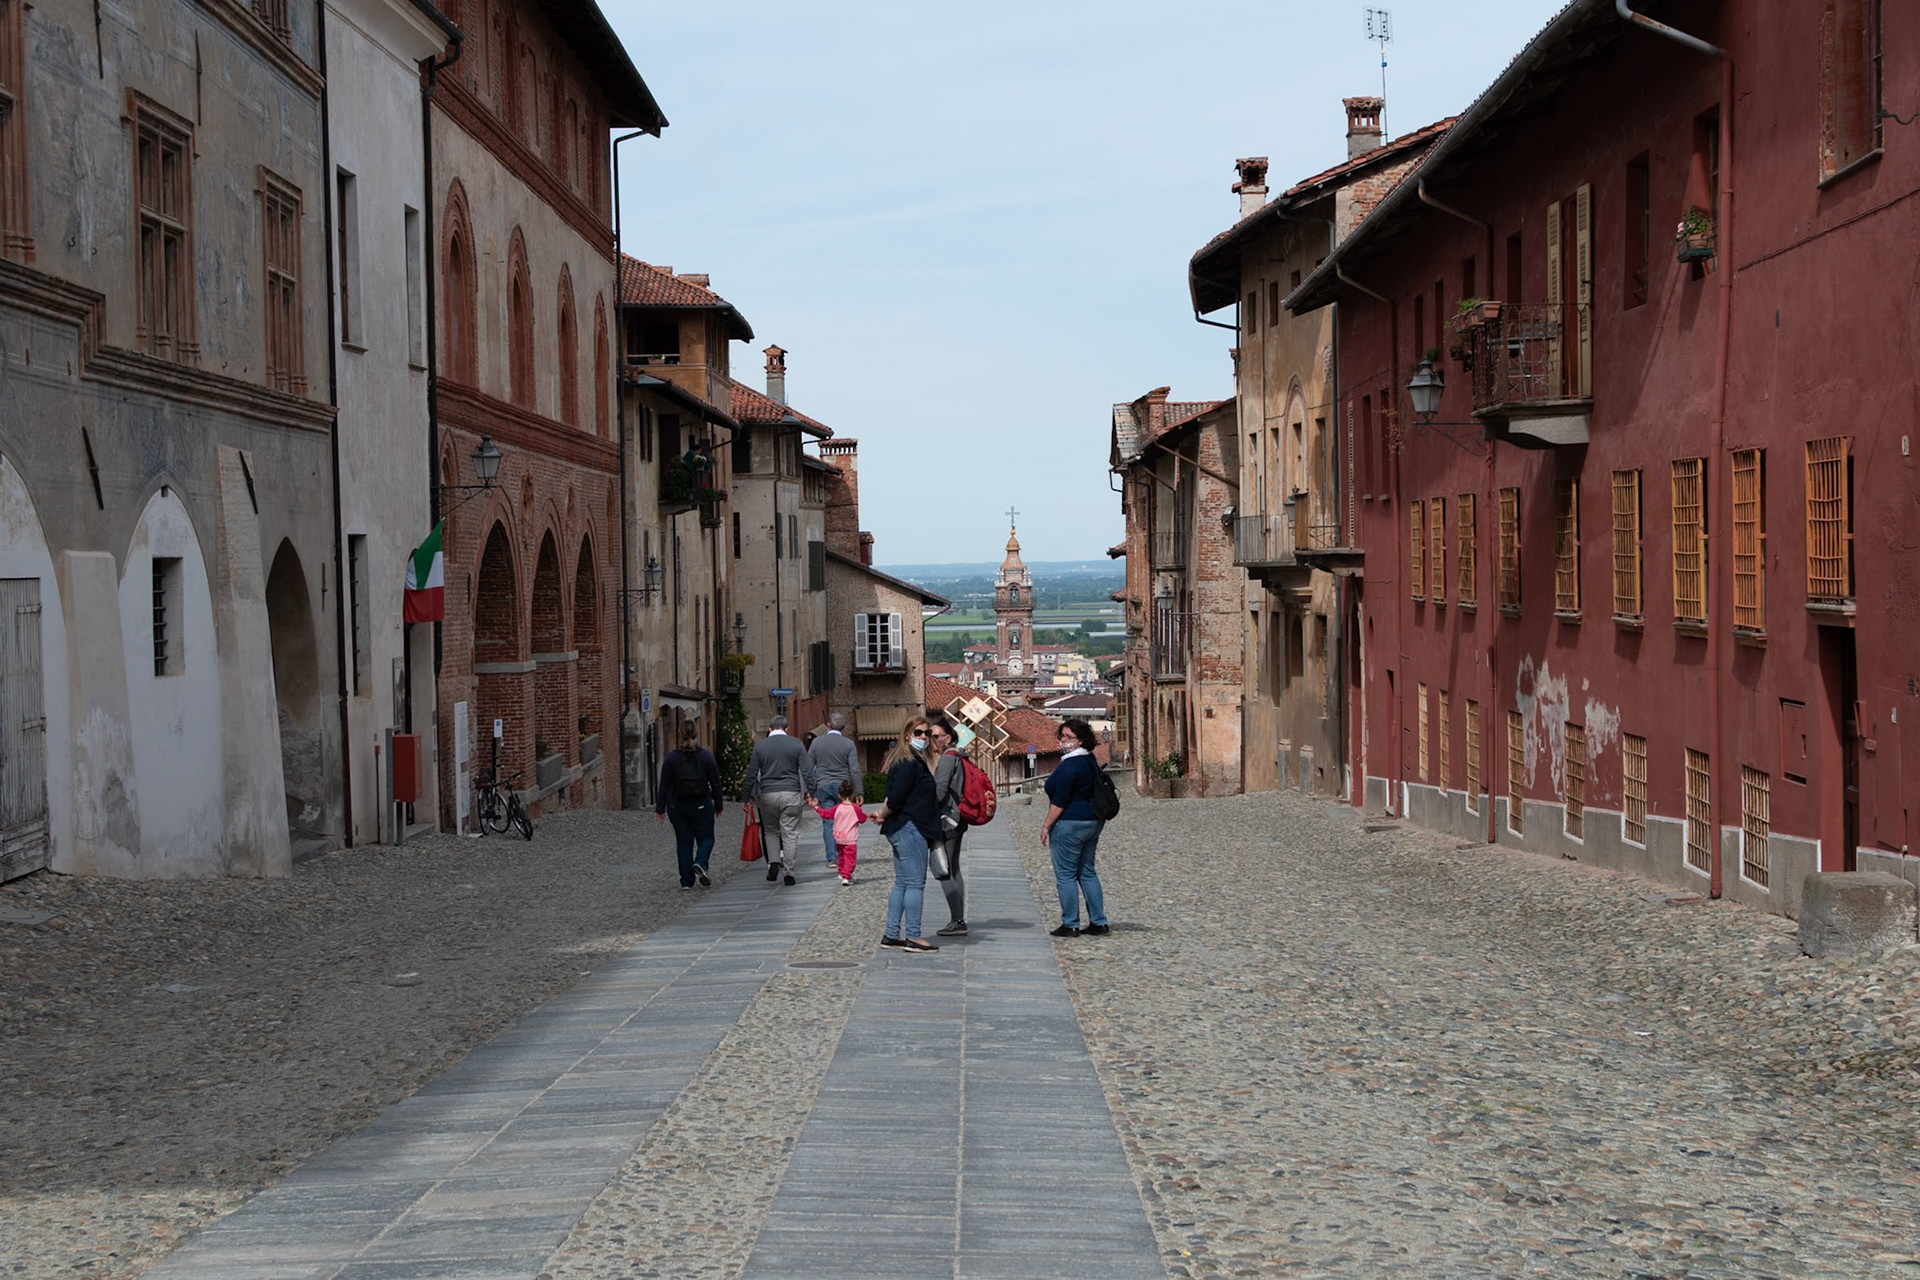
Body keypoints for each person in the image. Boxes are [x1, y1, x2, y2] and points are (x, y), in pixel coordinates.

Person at [869, 716, 941, 953]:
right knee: (914, 884)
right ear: (907, 735)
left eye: (927, 734)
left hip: (901, 827)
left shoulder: (906, 761)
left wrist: (884, 814)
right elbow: (896, 798)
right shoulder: (909, 763)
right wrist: (883, 812)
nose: (923, 737)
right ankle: (913, 936)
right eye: (919, 732)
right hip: (911, 827)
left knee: (902, 883)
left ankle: (891, 934)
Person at [1039, 718, 1109, 938]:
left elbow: (1060, 800)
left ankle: (1070, 923)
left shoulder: (1070, 765)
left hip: (1069, 823)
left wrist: (1046, 825)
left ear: (1081, 740)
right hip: (1093, 821)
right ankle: (1099, 922)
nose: (1064, 741)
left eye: (1069, 737)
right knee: (1087, 871)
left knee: (1066, 875)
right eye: (1062, 736)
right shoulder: (1089, 760)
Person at [654, 723, 722, 889]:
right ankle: (700, 862)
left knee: (684, 843)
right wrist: (718, 805)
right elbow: (716, 783)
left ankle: (686, 881)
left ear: (679, 735)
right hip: (701, 805)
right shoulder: (705, 757)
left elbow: (664, 785)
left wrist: (660, 809)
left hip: (678, 806)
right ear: (697, 735)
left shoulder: (671, 758)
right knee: (706, 838)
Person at [743, 714, 809, 886]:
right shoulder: (797, 744)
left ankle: (773, 862)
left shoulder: (760, 746)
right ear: (787, 729)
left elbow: (751, 774)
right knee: (790, 834)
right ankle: (789, 871)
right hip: (792, 793)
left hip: (767, 794)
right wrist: (811, 792)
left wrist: (746, 797)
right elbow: (807, 771)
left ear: (769, 729)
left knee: (771, 831)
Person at [927, 718, 969, 937]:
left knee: (943, 870)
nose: (931, 740)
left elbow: (940, 791)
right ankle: (958, 917)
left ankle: (957, 920)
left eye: (935, 736)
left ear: (947, 737)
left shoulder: (946, 759)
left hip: (947, 819)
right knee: (954, 868)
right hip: (959, 818)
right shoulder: (960, 756)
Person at [807, 711, 861, 867]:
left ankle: (832, 858)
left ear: (828, 725)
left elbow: (808, 767)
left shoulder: (817, 743)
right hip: (842, 786)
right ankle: (844, 854)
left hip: (823, 785)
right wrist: (859, 791)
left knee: (828, 822)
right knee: (846, 821)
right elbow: (855, 770)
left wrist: (810, 791)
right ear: (843, 727)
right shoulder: (848, 744)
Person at [829, 777, 867, 885]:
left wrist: (816, 808)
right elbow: (862, 819)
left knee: (840, 856)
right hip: (850, 839)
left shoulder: (837, 807)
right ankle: (847, 876)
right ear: (852, 794)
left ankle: (841, 873)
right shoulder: (854, 808)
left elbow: (826, 814)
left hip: (839, 837)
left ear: (839, 795)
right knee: (850, 858)